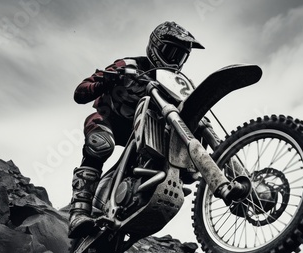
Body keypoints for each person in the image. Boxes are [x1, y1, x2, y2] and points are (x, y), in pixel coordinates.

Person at [68, 21, 204, 238]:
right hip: (110, 119)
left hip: (144, 131)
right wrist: (106, 80)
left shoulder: (174, 81)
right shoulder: (129, 64)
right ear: (155, 46)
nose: (175, 60)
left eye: (181, 56)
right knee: (101, 144)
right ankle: (79, 211)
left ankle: (137, 196)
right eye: (171, 52)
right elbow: (80, 93)